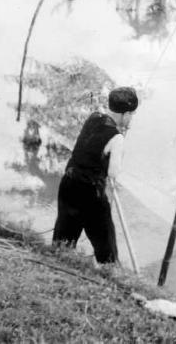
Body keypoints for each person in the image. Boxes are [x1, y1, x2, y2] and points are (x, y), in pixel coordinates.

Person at [52, 86, 138, 264]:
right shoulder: (117, 138)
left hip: (68, 184)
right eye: (132, 114)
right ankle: (110, 273)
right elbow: (114, 173)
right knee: (105, 243)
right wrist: (119, 150)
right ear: (126, 114)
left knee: (63, 239)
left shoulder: (93, 117)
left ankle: (57, 264)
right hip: (90, 193)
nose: (131, 119)